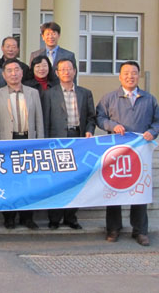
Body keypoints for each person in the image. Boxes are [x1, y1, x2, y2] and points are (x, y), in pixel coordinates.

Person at [96, 61, 159, 247]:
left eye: (134, 73)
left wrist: (153, 132)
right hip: (116, 152)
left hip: (140, 153)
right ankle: (113, 228)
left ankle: (140, 230)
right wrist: (112, 125)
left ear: (139, 75)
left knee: (139, 190)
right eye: (126, 73)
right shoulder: (110, 98)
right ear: (120, 76)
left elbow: (157, 121)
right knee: (113, 189)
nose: (130, 76)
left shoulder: (149, 99)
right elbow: (99, 117)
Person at [42, 58, 95, 230]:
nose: (66, 72)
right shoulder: (49, 94)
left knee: (76, 180)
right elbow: (45, 120)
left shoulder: (85, 93)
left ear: (75, 71)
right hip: (57, 141)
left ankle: (71, 217)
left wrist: (90, 130)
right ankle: (54, 218)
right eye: (62, 69)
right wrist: (46, 143)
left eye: (69, 68)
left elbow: (91, 117)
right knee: (56, 181)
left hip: (78, 140)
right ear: (57, 73)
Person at [0, 59, 44, 230]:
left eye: (16, 70)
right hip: (7, 144)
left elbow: (39, 121)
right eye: (9, 70)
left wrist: (40, 144)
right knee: (8, 182)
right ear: (3, 74)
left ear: (22, 72)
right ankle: (9, 217)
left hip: (28, 143)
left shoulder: (33, 93)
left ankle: (27, 217)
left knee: (28, 181)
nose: (13, 74)